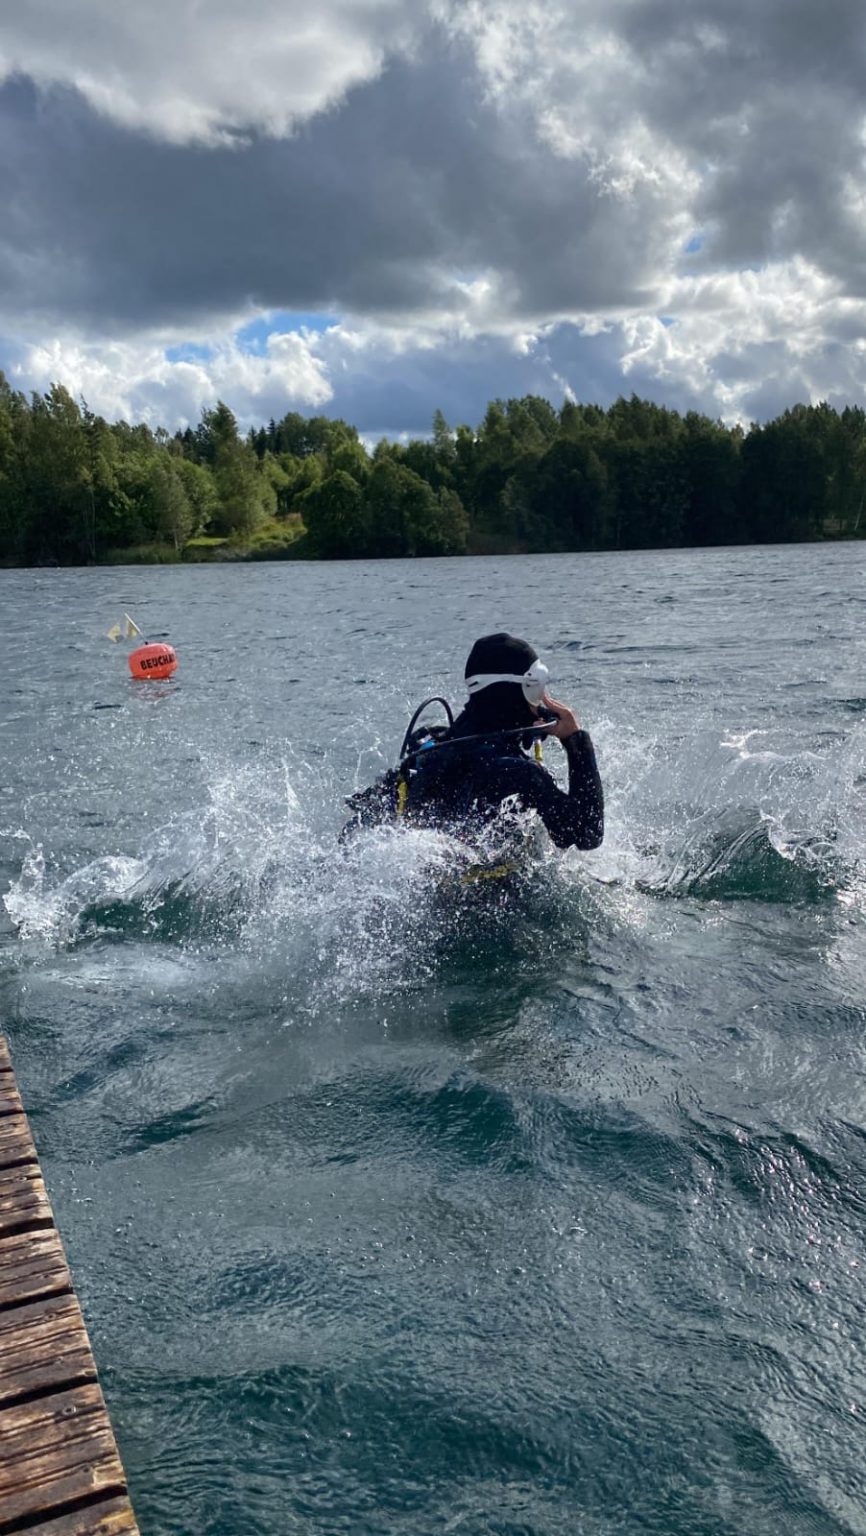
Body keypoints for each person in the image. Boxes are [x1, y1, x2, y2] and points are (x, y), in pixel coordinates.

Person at [342, 633, 604, 852]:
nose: (544, 699)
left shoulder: (432, 747)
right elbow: (587, 834)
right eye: (536, 688)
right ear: (512, 691)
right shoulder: (519, 772)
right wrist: (575, 741)